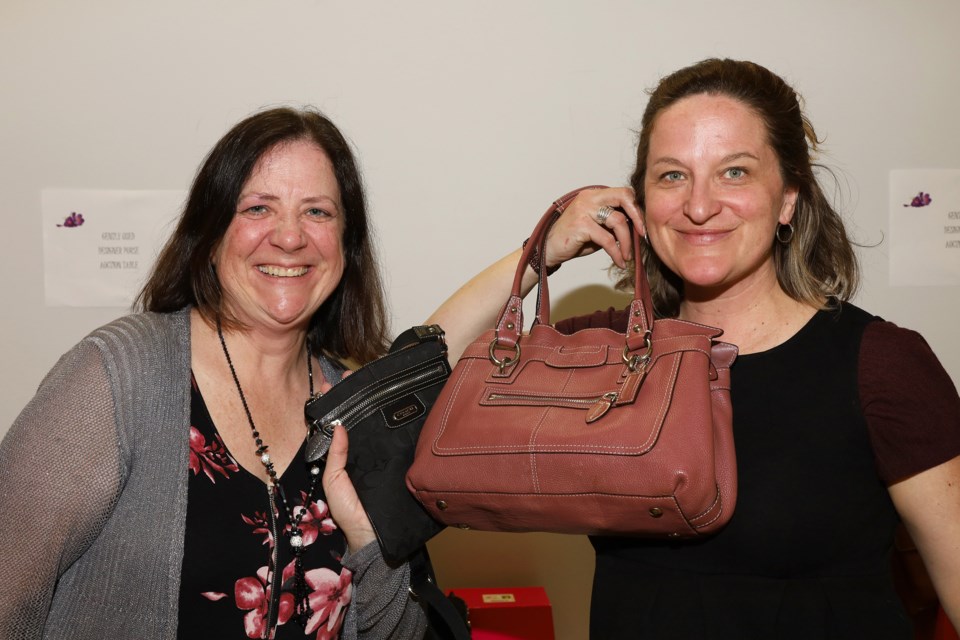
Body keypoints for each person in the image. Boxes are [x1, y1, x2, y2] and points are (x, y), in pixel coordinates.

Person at [427, 58, 960, 638]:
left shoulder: (880, 365)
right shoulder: (607, 354)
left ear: (787, 199)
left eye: (734, 172)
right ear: (641, 204)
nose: (699, 206)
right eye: (672, 176)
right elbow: (417, 377)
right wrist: (540, 253)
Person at [0, 107, 427, 639]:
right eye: (258, 207)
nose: (290, 238)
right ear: (210, 235)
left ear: (347, 244)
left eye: (317, 211)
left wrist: (369, 541)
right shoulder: (119, 377)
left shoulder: (356, 410)